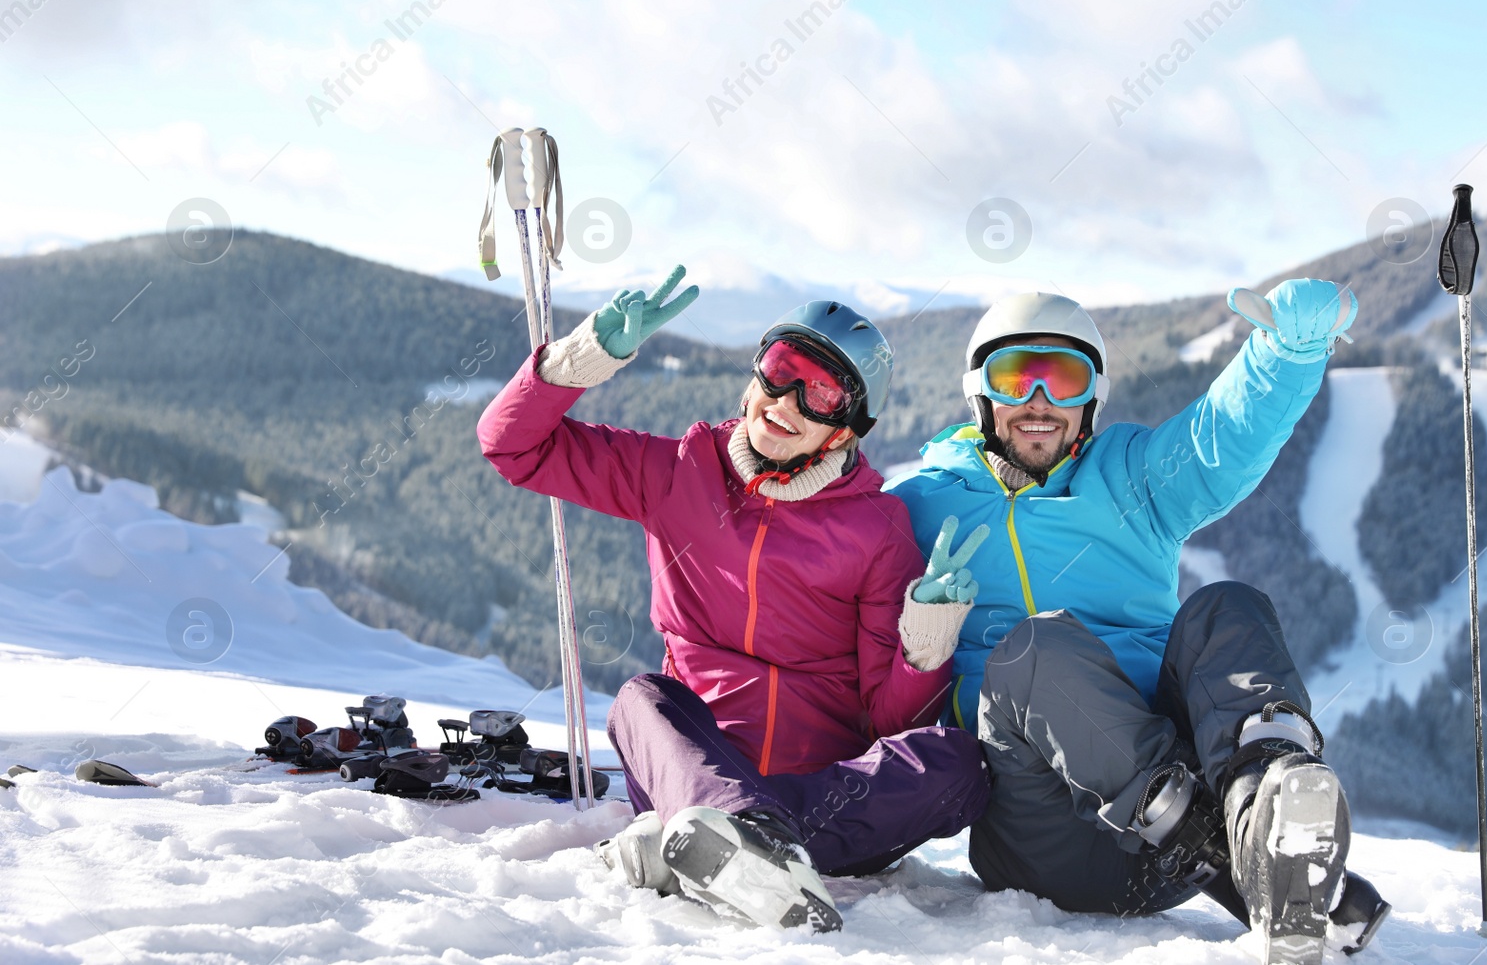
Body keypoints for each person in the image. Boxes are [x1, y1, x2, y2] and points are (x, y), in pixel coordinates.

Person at [886, 281, 1390, 962]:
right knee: (1033, 649)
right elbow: (831, 585)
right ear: (981, 392)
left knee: (1227, 606)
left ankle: (1263, 809)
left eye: (1064, 379)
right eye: (1016, 378)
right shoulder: (920, 505)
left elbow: (1222, 438)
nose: (1039, 402)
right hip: (1040, 832)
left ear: (1092, 397)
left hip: (1165, 854)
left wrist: (1288, 354)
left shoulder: (1132, 478)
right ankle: (1228, 856)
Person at [478, 267, 992, 934]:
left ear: (846, 427)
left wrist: (928, 640)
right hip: (694, 769)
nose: (786, 400)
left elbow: (891, 721)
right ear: (754, 376)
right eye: (779, 369)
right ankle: (726, 834)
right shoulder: (676, 473)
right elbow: (512, 445)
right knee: (642, 698)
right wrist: (580, 359)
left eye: (820, 391)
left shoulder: (877, 527)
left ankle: (714, 842)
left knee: (958, 762)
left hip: (824, 794)